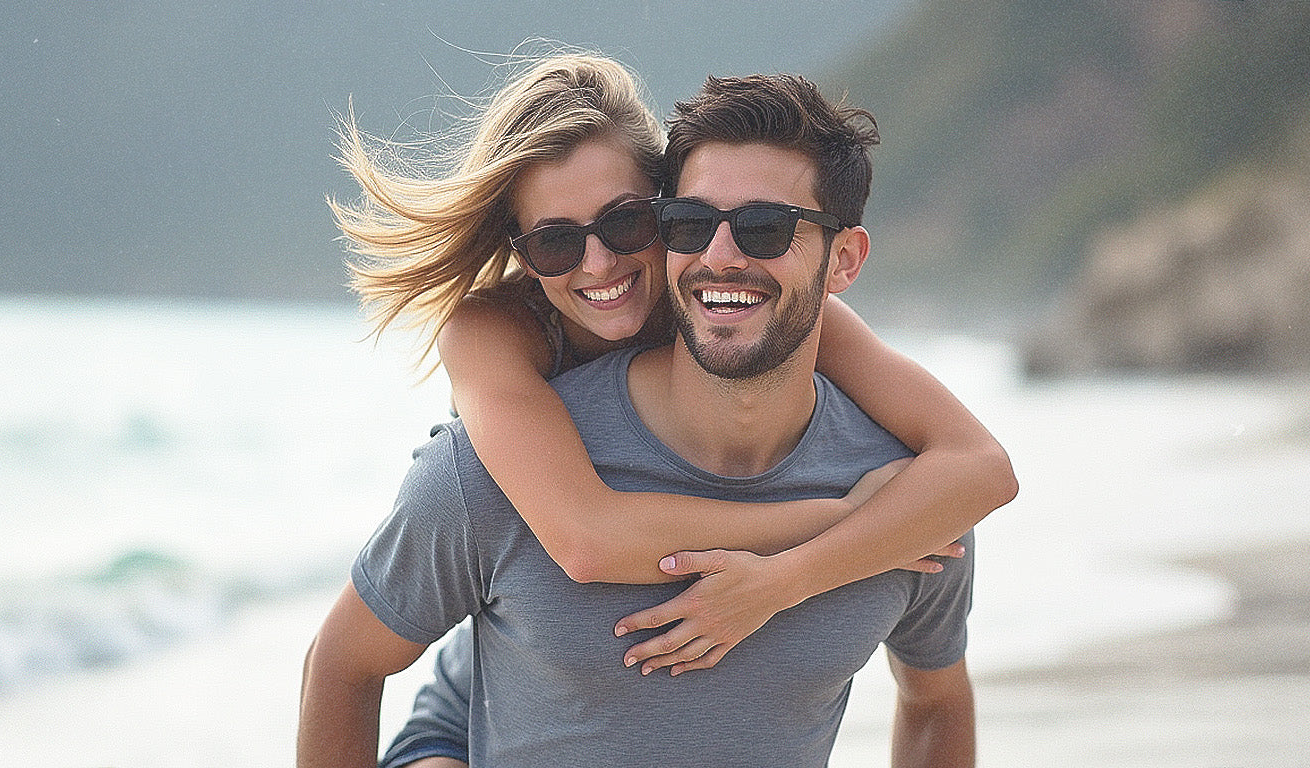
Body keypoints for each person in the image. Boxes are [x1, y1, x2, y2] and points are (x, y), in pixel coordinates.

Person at [301, 60, 1005, 767]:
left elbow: (981, 470)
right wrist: (843, 522)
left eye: (627, 221)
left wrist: (802, 571)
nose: (599, 262)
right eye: (554, 240)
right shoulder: (493, 351)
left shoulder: (881, 448)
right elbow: (585, 540)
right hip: (471, 710)